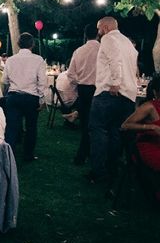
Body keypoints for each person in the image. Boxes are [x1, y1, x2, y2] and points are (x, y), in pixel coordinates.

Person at [87, 16, 138, 182]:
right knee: (116, 133)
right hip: (128, 95)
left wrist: (115, 83)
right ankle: (112, 168)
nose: (98, 32)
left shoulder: (109, 38)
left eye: (99, 28)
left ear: (106, 27)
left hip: (109, 92)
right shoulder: (128, 43)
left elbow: (115, 60)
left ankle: (98, 171)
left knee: (98, 130)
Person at [2, 33, 46, 162]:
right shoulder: (38, 59)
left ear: (18, 44)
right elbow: (42, 82)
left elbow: (5, 80)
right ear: (32, 44)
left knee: (11, 127)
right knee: (31, 127)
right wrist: (42, 99)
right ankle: (28, 155)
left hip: (13, 96)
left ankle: (10, 156)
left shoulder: (10, 60)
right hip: (31, 97)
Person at [67, 24, 100, 165]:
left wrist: (79, 81)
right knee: (97, 124)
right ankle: (92, 155)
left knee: (86, 123)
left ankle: (82, 155)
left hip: (84, 90)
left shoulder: (79, 51)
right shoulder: (103, 50)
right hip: (99, 89)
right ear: (98, 34)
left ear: (85, 35)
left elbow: (70, 74)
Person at [122, 76, 160, 173]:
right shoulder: (149, 107)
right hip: (149, 146)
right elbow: (125, 125)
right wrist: (151, 127)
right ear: (156, 92)